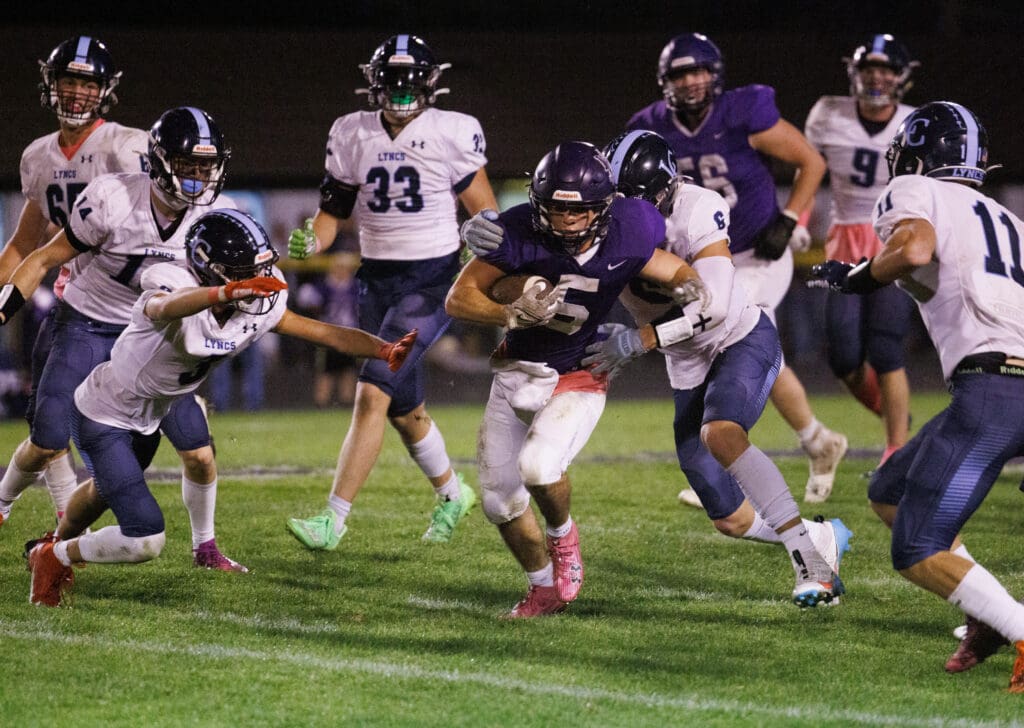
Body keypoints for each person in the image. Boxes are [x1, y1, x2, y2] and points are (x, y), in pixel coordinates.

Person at [24, 209, 416, 606]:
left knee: (195, 459)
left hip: (164, 400)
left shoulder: (254, 299)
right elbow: (164, 308)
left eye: (260, 269)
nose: (258, 282)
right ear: (211, 270)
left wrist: (382, 349)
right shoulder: (171, 279)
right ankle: (52, 553)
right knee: (145, 537)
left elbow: (322, 332)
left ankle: (202, 548)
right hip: (106, 412)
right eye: (246, 272)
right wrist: (225, 294)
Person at [449, 140, 719, 617]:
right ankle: (542, 587)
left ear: (606, 206)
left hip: (580, 369)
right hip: (517, 370)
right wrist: (508, 312)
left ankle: (562, 537)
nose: (568, 221)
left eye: (581, 211)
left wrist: (688, 284)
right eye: (555, 209)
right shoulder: (515, 233)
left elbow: (665, 265)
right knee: (498, 502)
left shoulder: (631, 227)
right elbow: (459, 297)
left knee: (538, 466)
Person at [810, 101, 1024, 692]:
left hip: (995, 387)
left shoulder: (915, 188)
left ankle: (1018, 625)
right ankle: (987, 613)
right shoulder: (1008, 220)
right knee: (890, 489)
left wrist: (858, 277)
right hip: (1003, 386)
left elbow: (913, 250)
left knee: (916, 548)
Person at [585, 130, 849, 606]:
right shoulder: (602, 221)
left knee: (722, 431)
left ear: (666, 189)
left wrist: (643, 338)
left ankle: (811, 567)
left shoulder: (697, 207)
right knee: (729, 518)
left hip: (739, 339)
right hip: (686, 363)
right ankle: (818, 538)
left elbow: (717, 309)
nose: (628, 214)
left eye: (638, 201)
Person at [0, 106, 247, 571]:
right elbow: (43, 257)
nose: (198, 177)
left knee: (198, 453)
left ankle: (206, 546)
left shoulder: (218, 214)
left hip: (153, 340)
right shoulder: (113, 198)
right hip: (90, 323)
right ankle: (15, 511)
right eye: (187, 165)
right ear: (157, 161)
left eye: (205, 167)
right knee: (50, 434)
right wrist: (4, 306)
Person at [285, 34, 498, 549]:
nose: (401, 96)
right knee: (405, 411)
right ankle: (453, 494)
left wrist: (485, 253)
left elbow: (486, 211)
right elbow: (333, 215)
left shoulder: (452, 130)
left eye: (410, 86)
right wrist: (312, 237)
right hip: (376, 280)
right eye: (392, 85)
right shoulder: (351, 133)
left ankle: (333, 519)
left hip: (431, 281)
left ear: (430, 86)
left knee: (372, 390)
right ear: (373, 85)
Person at [626, 32, 847, 506]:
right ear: (665, 81)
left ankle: (733, 456)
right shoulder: (650, 127)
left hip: (754, 252)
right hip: (702, 262)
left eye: (699, 70)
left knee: (734, 331)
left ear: (716, 73)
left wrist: (791, 219)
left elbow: (810, 161)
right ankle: (815, 441)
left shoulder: (744, 110)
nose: (691, 81)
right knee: (732, 339)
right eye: (681, 73)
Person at [0, 35, 149, 529]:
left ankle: (203, 538)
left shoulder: (127, 147)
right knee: (48, 429)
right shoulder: (39, 157)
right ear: (51, 85)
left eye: (88, 84)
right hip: (75, 306)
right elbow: (25, 245)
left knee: (142, 440)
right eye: (69, 81)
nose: (78, 93)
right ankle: (64, 521)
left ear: (105, 91)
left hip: (136, 312)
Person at [804, 34, 919, 473]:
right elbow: (809, 168)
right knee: (843, 356)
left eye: (886, 68)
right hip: (843, 244)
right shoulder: (828, 113)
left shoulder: (915, 123)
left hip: (892, 237)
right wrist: (798, 221)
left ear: (902, 76)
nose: (877, 76)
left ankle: (896, 450)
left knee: (887, 350)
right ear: (854, 72)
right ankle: (896, 418)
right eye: (869, 68)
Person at [294, 253, 361, 407]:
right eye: (339, 267)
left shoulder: (355, 286)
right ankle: (321, 404)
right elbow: (306, 299)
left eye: (344, 268)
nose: (341, 271)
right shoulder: (324, 286)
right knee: (325, 371)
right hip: (329, 334)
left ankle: (346, 403)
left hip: (349, 334)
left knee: (348, 370)